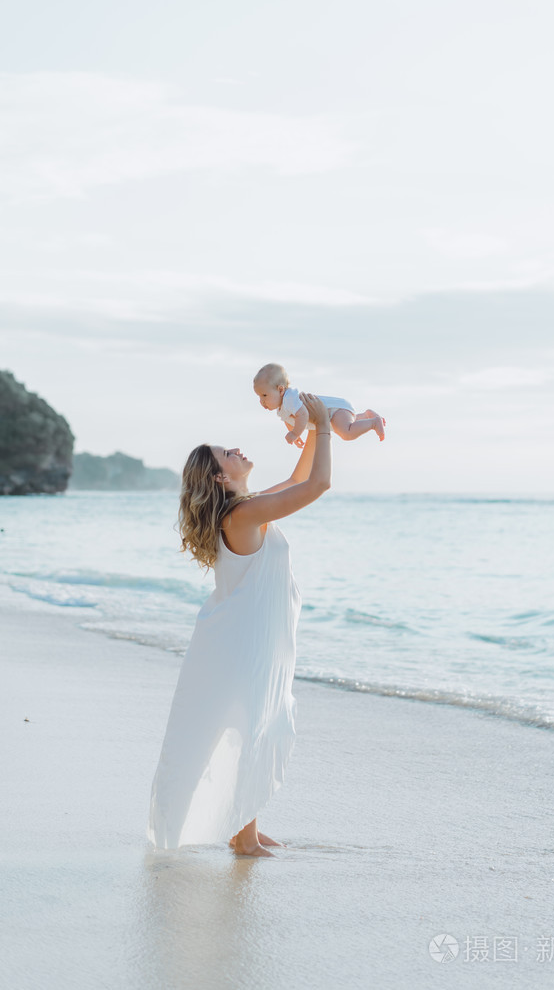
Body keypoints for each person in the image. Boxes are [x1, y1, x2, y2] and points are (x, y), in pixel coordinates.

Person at [147, 393, 332, 857]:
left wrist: (309, 428)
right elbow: (317, 486)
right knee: (250, 727)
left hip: (246, 636)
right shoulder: (241, 515)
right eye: (228, 454)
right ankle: (243, 839)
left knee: (255, 724)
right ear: (219, 476)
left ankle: (242, 827)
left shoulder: (245, 507)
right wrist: (326, 428)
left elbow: (297, 477)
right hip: (241, 641)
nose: (237, 451)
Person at [253, 362, 386, 447]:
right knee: (347, 424)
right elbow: (289, 420)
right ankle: (366, 415)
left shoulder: (290, 398)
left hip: (335, 410)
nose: (262, 401)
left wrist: (294, 433)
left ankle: (373, 423)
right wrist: (296, 433)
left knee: (346, 433)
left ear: (281, 390)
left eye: (265, 395)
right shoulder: (283, 407)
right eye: (259, 396)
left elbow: (302, 415)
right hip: (335, 413)